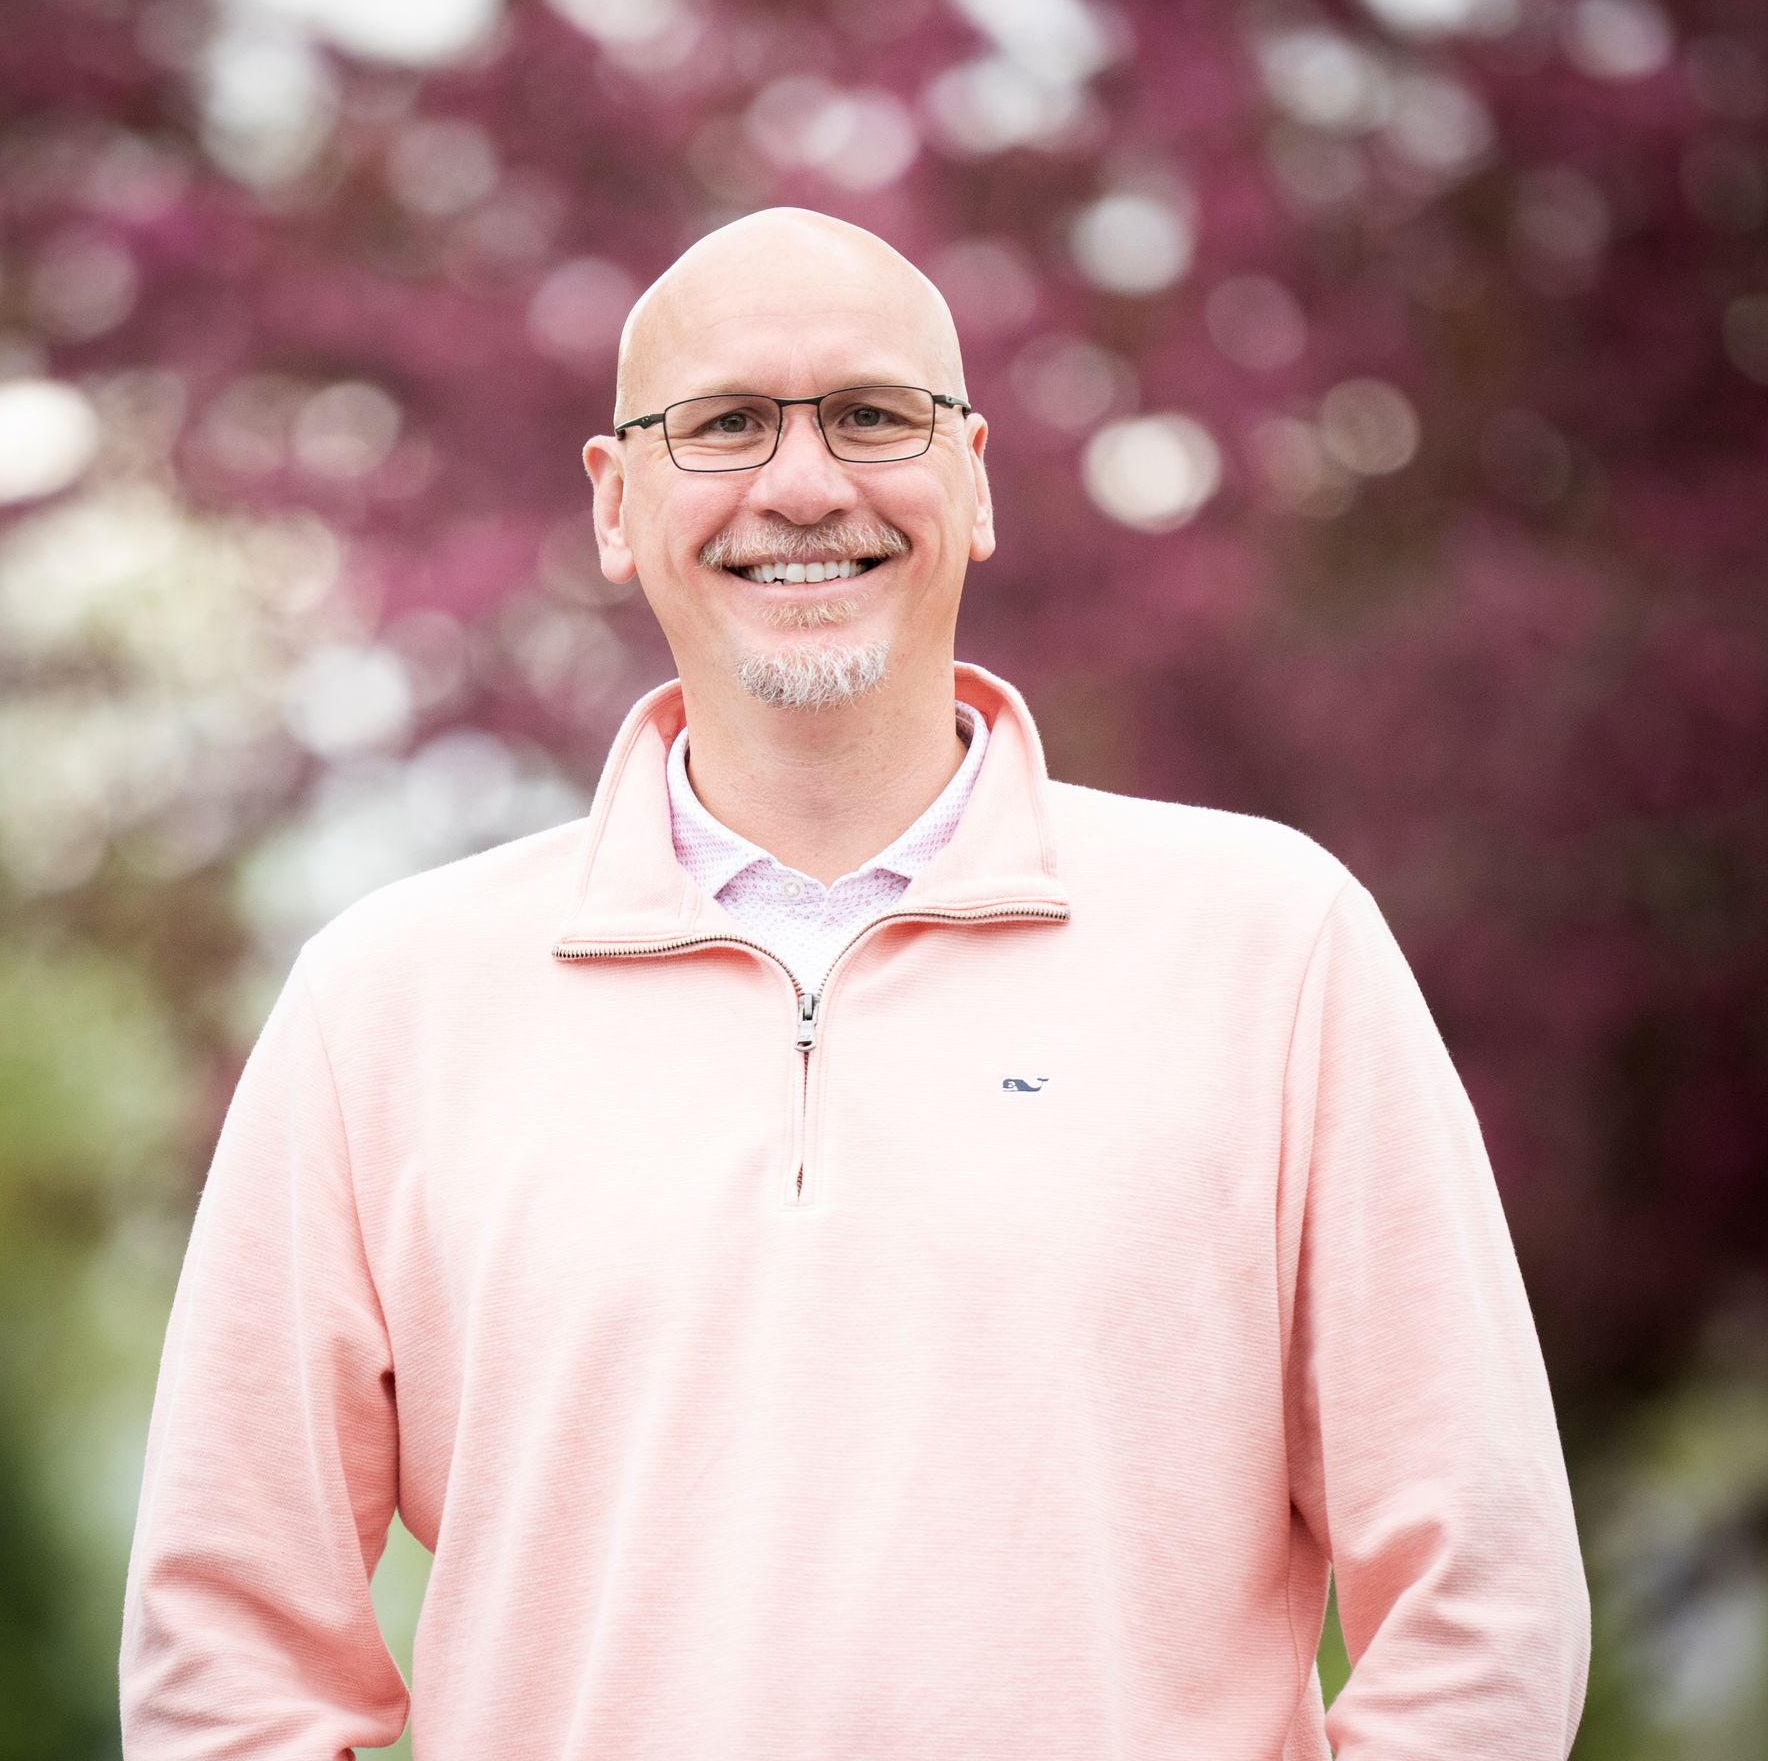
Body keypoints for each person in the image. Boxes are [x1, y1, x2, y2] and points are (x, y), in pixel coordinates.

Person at [118, 207, 1591, 1758]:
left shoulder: (1275, 947)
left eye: (876, 416)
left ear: (973, 480)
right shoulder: (383, 1009)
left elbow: (1479, 1601)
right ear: (619, 506)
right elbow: (232, 1654)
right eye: (727, 424)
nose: (804, 482)